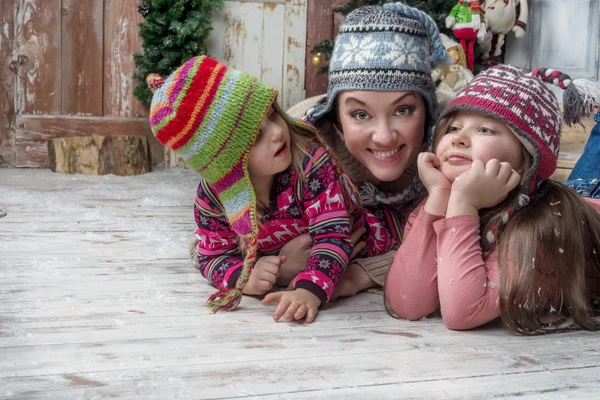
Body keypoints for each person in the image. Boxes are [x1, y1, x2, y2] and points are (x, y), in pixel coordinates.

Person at [147, 56, 400, 322]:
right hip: (303, 259)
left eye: (271, 115)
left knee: (409, 236)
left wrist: (308, 289)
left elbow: (332, 235)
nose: (277, 133)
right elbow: (211, 256)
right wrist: (245, 277)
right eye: (255, 137)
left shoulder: (308, 162)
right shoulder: (213, 200)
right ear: (227, 164)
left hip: (374, 240)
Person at [385, 64, 600, 334]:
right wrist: (440, 196)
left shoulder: (542, 226)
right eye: (452, 127)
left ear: (525, 161)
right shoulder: (440, 200)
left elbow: (463, 311)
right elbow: (409, 303)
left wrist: (464, 205)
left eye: (485, 130)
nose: (459, 139)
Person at [282, 2, 453, 297]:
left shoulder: (454, 134)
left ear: (427, 107)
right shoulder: (301, 138)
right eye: (360, 115)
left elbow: (489, 237)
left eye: (404, 110)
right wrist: (277, 263)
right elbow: (210, 233)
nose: (385, 137)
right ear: (335, 112)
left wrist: (364, 273)